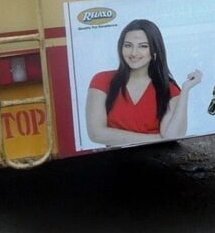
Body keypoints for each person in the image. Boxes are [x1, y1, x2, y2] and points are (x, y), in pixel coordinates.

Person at [85, 18, 202, 146]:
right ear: (121, 47)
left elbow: (172, 136)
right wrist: (157, 140)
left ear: (155, 51)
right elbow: (96, 134)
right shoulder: (102, 80)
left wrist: (185, 90)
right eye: (128, 45)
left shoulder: (168, 89)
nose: (134, 53)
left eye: (143, 46)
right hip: (115, 162)